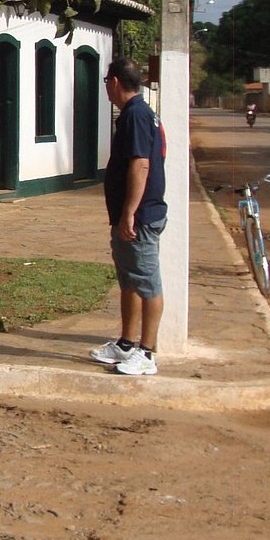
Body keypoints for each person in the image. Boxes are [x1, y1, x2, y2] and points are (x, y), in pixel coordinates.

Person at [90, 57, 167, 376]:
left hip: (140, 217)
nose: (106, 87)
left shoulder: (136, 115)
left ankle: (146, 353)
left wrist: (130, 213)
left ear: (115, 82)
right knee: (130, 280)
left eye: (106, 81)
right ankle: (125, 344)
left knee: (148, 283)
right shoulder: (140, 115)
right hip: (131, 215)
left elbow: (141, 164)